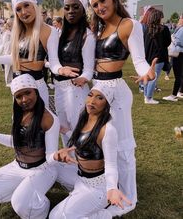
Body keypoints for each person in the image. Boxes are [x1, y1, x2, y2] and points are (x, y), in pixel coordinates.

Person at [89, 0, 156, 216]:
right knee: (104, 142)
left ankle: (129, 198)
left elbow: (139, 59)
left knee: (123, 146)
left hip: (115, 90)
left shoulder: (128, 25)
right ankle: (112, 188)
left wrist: (147, 71)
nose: (99, 7)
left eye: (102, 1)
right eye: (95, 4)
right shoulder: (97, 29)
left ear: (114, 0)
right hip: (97, 89)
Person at [0, 74, 60, 219]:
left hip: (43, 170)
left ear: (36, 91)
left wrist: (57, 156)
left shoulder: (49, 118)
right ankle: (25, 192)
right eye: (19, 96)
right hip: (17, 167)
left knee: (20, 204)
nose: (24, 99)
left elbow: (50, 157)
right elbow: (16, 142)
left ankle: (42, 208)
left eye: (27, 92)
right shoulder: (18, 114)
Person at [49, 84, 132, 219]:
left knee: (56, 217)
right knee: (51, 165)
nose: (91, 101)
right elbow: (84, 140)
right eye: (90, 95)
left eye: (99, 98)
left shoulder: (108, 130)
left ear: (107, 104)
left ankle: (105, 215)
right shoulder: (85, 119)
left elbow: (111, 165)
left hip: (98, 188)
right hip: (80, 180)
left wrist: (111, 188)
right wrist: (67, 133)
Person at [53, 0, 95, 147]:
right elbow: (51, 61)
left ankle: (82, 163)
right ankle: (68, 162)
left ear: (83, 10)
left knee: (77, 127)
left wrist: (83, 78)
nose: (70, 11)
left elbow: (89, 69)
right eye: (67, 7)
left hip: (75, 88)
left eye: (75, 7)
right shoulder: (59, 34)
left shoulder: (87, 36)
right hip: (58, 88)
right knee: (63, 127)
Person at [143, 9, 171, 104]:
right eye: (161, 17)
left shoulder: (146, 29)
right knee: (153, 78)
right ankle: (149, 98)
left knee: (148, 77)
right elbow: (168, 42)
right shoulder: (164, 29)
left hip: (147, 57)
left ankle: (146, 96)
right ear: (158, 18)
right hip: (159, 58)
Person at [163, 17, 183, 101]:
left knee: (178, 75)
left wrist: (173, 38)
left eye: (180, 18)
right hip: (180, 53)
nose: (179, 19)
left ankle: (173, 95)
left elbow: (179, 41)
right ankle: (180, 92)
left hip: (178, 54)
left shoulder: (181, 29)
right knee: (181, 74)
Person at [0, 17, 13, 86]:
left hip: (12, 52)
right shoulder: (6, 32)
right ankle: (7, 81)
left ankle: (11, 80)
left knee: (11, 68)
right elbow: (3, 44)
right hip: (7, 52)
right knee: (7, 68)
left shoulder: (11, 31)